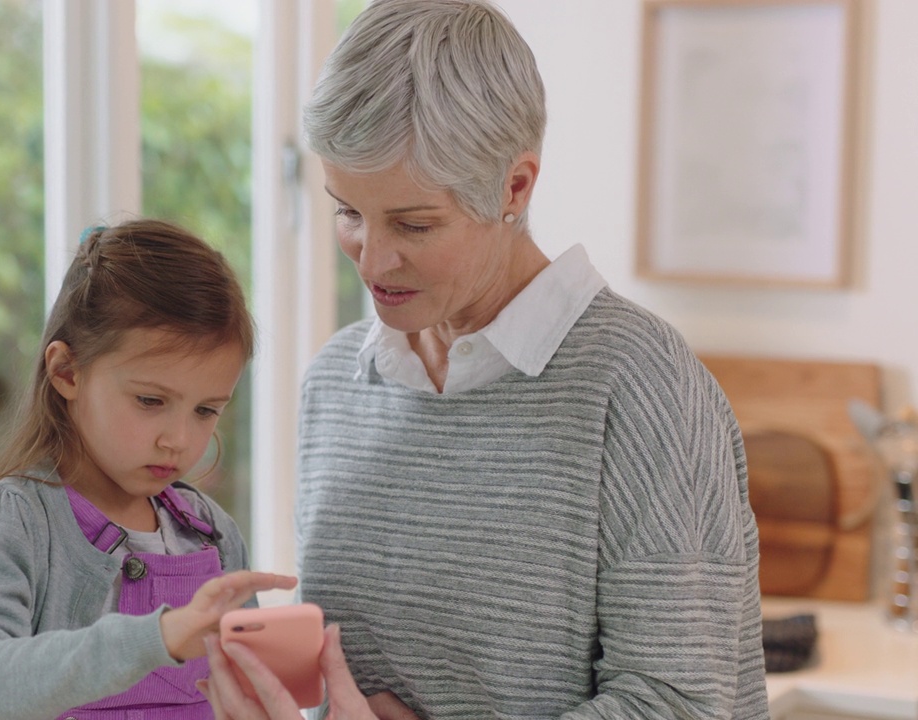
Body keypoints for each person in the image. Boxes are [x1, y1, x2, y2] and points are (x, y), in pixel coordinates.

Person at [202, 0, 769, 717]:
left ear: (515, 186)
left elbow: (683, 704)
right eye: (348, 210)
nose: (372, 260)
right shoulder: (338, 386)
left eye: (414, 223)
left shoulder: (637, 388)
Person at [0, 219, 297, 720]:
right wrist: (158, 637)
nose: (179, 439)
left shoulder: (210, 532)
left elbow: (245, 697)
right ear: (66, 372)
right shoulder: (13, 518)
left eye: (206, 410)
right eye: (151, 400)